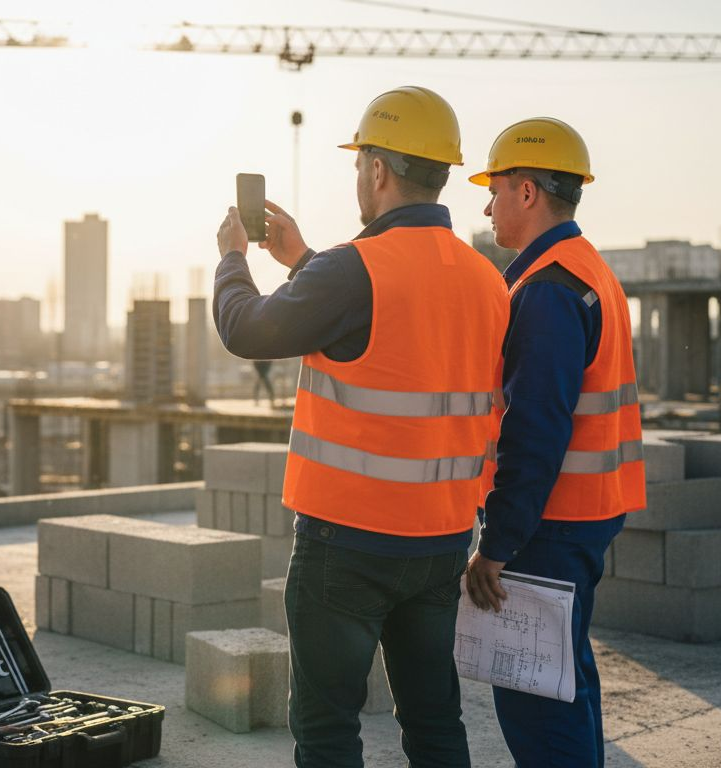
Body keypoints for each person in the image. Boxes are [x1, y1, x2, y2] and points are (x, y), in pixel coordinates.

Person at [213, 86, 509, 768]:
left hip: (347, 546)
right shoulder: (485, 277)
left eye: (358, 165)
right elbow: (398, 328)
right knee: (435, 720)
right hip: (439, 543)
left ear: (377, 169)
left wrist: (234, 257)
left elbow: (246, 328)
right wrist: (304, 258)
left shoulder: (353, 268)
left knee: (327, 730)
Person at [462, 117, 646, 768]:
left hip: (547, 527)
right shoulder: (588, 270)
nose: (487, 206)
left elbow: (534, 429)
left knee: (537, 701)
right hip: (584, 515)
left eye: (495, 189)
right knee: (569, 683)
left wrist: (498, 544)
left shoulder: (544, 291)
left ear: (528, 192)